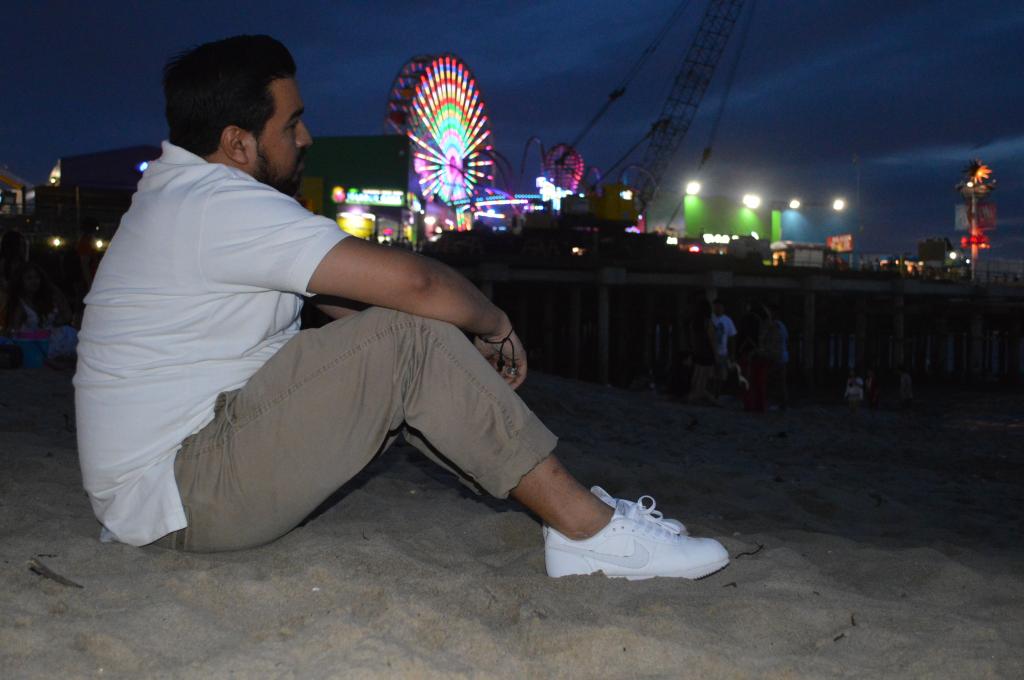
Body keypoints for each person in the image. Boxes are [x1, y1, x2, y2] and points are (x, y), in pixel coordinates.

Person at [73, 35, 728, 581]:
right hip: (184, 492)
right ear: (239, 143)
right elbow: (415, 286)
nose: (306, 137)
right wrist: (493, 325)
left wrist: (451, 357)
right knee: (410, 334)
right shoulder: (219, 205)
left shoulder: (183, 197)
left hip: (170, 487)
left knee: (410, 337)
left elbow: (347, 304)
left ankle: (570, 519)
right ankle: (588, 531)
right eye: (291, 122)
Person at [4, 261, 78, 366]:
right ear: (21, 281)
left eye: (36, 277)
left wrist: (56, 323)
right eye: (29, 278)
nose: (34, 281)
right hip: (31, 340)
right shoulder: (20, 303)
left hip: (52, 336)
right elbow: (14, 329)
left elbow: (67, 315)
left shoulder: (50, 294)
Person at [687, 299, 718, 405]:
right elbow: (712, 339)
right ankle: (696, 396)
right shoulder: (707, 322)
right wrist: (716, 354)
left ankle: (696, 395)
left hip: (698, 351)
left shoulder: (694, 322)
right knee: (703, 378)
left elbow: (692, 339)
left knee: (697, 375)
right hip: (707, 352)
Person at [711, 299, 736, 397]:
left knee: (721, 375)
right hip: (711, 351)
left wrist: (732, 353)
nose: (718, 309)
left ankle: (717, 393)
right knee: (711, 374)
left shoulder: (727, 320)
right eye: (716, 306)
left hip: (723, 352)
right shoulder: (711, 318)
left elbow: (732, 337)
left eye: (720, 306)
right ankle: (711, 393)